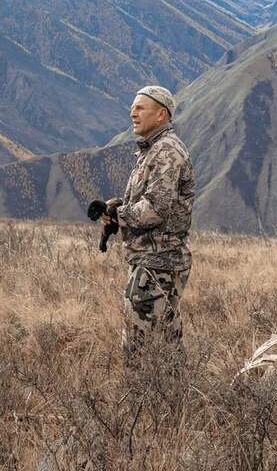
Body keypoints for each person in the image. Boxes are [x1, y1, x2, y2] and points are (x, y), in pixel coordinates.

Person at [98, 85, 194, 357]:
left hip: (158, 262)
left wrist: (119, 216)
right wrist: (120, 208)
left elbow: (156, 209)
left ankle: (147, 396)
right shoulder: (152, 151)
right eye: (132, 107)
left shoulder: (166, 152)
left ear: (161, 115)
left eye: (140, 108)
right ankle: (171, 396)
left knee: (140, 348)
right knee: (164, 342)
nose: (133, 113)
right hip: (152, 261)